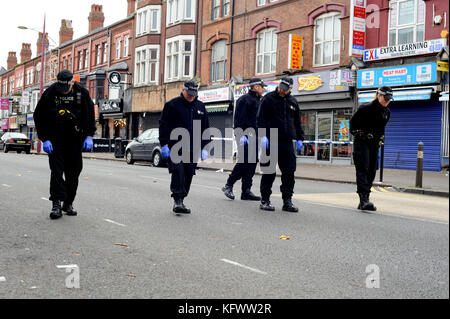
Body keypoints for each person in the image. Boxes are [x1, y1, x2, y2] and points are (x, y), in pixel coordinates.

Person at [33, 70, 95, 220]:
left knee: (74, 173)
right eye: (61, 88)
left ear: (72, 82)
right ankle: (56, 204)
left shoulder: (82, 93)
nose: (63, 92)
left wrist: (89, 135)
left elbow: (90, 115)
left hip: (75, 140)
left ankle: (68, 203)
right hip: (55, 141)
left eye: (65, 89)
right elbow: (38, 116)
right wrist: (44, 138)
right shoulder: (50, 93)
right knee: (56, 172)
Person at [159, 81, 210, 214]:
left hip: (192, 149)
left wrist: (205, 147)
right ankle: (178, 201)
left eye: (193, 94)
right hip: (175, 147)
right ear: (183, 90)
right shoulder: (172, 105)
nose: (191, 96)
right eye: (189, 93)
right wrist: (164, 144)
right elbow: (163, 125)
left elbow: (205, 128)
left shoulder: (200, 107)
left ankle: (182, 197)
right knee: (178, 173)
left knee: (188, 174)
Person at [257, 77, 304, 212]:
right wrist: (263, 136)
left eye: (285, 88)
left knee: (289, 172)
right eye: (281, 87)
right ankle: (265, 200)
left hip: (286, 142)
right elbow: (261, 119)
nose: (282, 90)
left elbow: (297, 122)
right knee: (269, 172)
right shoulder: (268, 99)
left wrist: (300, 138)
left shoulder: (293, 102)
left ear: (291, 88)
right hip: (270, 139)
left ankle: (287, 201)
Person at [222, 78, 266, 201]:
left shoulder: (259, 101)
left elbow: (260, 121)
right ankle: (228, 185)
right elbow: (238, 119)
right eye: (262, 87)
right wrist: (240, 135)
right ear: (256, 87)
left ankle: (246, 191)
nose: (263, 89)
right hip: (245, 136)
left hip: (255, 136)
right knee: (244, 161)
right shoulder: (244, 100)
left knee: (252, 163)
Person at [350, 86, 392, 211]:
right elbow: (352, 126)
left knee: (372, 170)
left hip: (374, 144)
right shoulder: (365, 108)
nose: (387, 101)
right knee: (363, 169)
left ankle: (365, 197)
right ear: (379, 95)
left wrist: (380, 140)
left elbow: (381, 129)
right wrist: (361, 134)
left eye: (389, 99)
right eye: (385, 98)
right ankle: (363, 200)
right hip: (362, 143)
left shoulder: (386, 112)